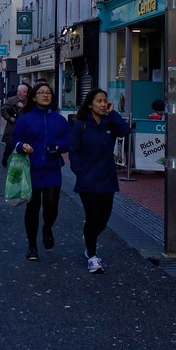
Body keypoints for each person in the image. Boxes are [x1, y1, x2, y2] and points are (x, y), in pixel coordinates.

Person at [68, 88, 131, 274]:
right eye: (99, 101)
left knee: (104, 218)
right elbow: (74, 149)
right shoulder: (81, 124)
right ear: (90, 104)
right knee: (93, 216)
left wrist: (113, 112)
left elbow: (125, 131)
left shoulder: (109, 122)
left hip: (107, 177)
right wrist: (78, 171)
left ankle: (90, 238)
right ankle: (92, 255)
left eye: (105, 101)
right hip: (87, 178)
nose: (103, 104)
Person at [11, 83, 72, 262]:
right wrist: (22, 146)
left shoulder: (59, 120)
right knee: (33, 207)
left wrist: (59, 147)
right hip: (32, 169)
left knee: (52, 206)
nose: (45, 95)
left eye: (48, 93)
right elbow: (15, 140)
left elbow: (69, 140)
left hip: (53, 169)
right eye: (41, 93)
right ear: (34, 97)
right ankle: (32, 246)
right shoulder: (25, 119)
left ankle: (47, 227)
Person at [1, 84, 31, 166]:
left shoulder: (29, 102)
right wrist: (9, 118)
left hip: (24, 128)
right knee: (9, 146)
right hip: (12, 127)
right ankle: (5, 159)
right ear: (18, 92)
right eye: (24, 92)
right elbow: (3, 111)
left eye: (26, 92)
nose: (25, 94)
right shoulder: (12, 100)